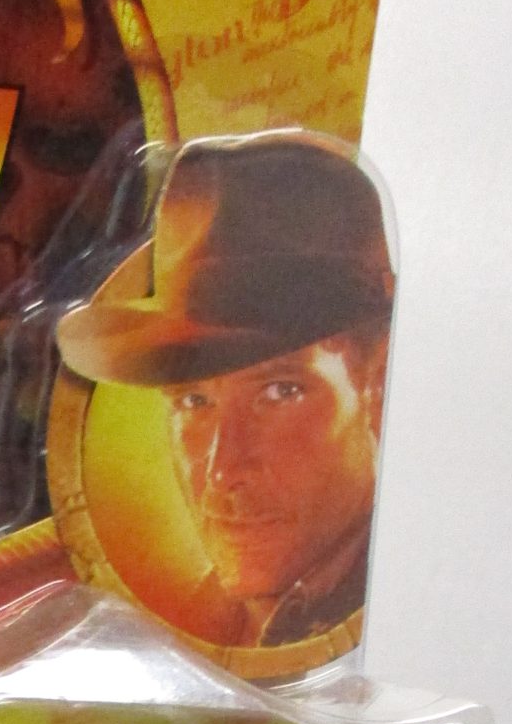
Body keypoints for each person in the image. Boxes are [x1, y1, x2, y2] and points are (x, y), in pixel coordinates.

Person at [56, 133, 394, 655]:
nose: (223, 469)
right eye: (194, 401)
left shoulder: (413, 599)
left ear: (377, 381)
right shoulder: (191, 620)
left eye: (280, 392)